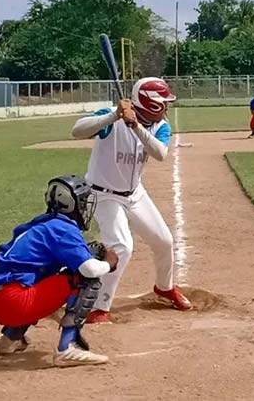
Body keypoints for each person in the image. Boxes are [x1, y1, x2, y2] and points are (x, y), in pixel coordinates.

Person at [71, 77, 192, 324]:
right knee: (122, 247)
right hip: (103, 194)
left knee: (164, 241)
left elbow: (160, 153)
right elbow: (77, 130)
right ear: (151, 103)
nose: (167, 107)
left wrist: (136, 126)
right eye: (163, 102)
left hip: (134, 194)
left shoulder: (160, 126)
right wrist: (113, 116)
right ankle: (97, 306)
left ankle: (164, 287)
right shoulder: (113, 118)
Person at [0, 175, 119, 367]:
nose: (85, 207)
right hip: (15, 302)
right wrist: (109, 264)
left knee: (41, 276)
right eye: (83, 202)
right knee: (84, 278)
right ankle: (68, 347)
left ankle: (11, 337)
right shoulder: (63, 229)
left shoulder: (40, 224)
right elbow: (89, 269)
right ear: (73, 204)